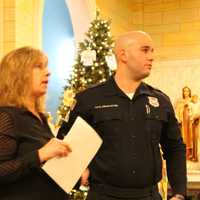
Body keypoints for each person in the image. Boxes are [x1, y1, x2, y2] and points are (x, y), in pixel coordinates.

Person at [58, 31, 186, 200]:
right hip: (104, 195)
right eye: (145, 50)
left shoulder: (160, 100)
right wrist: (79, 169)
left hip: (148, 195)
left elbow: (175, 148)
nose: (152, 57)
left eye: (152, 51)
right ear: (123, 55)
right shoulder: (89, 99)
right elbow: (65, 142)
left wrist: (179, 193)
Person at [0, 47, 71, 200]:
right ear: (17, 74)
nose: (48, 72)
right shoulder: (6, 116)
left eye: (46, 66)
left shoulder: (40, 117)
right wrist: (40, 155)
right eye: (38, 66)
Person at [175, 87, 199, 161]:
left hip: (191, 121)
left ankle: (193, 154)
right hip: (184, 120)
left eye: (187, 91)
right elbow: (177, 109)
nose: (186, 93)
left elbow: (196, 107)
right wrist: (183, 106)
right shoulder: (180, 101)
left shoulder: (192, 100)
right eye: (185, 91)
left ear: (189, 92)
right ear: (183, 92)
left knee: (191, 137)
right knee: (184, 136)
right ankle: (185, 154)